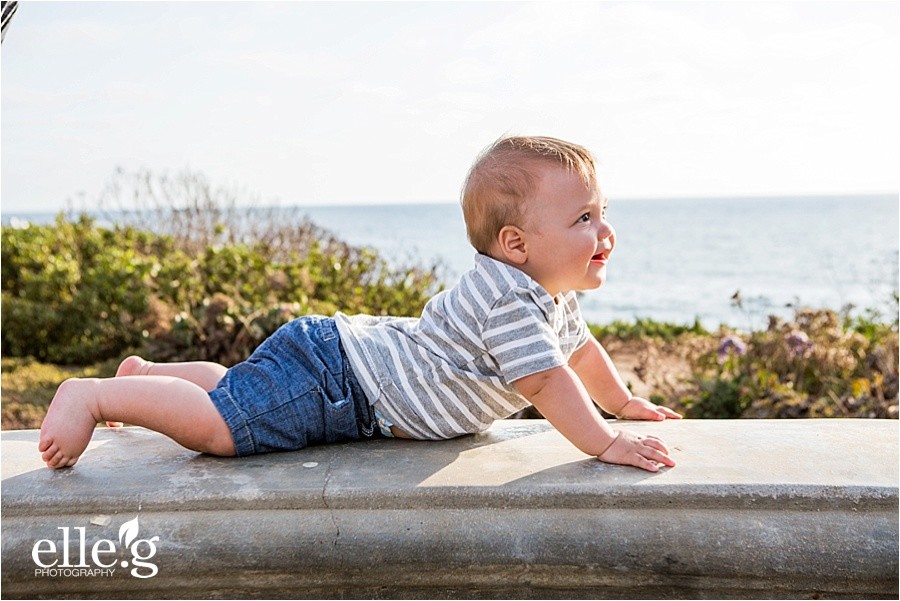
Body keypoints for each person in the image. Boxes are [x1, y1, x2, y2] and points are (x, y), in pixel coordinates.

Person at [39, 135, 681, 472]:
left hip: (345, 375)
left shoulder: (548, 295)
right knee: (220, 431)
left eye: (604, 213)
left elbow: (578, 350)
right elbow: (547, 380)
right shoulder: (511, 300)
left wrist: (621, 400)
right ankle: (94, 396)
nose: (605, 232)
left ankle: (147, 377)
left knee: (240, 391)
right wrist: (604, 442)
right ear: (515, 244)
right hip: (338, 380)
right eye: (584, 218)